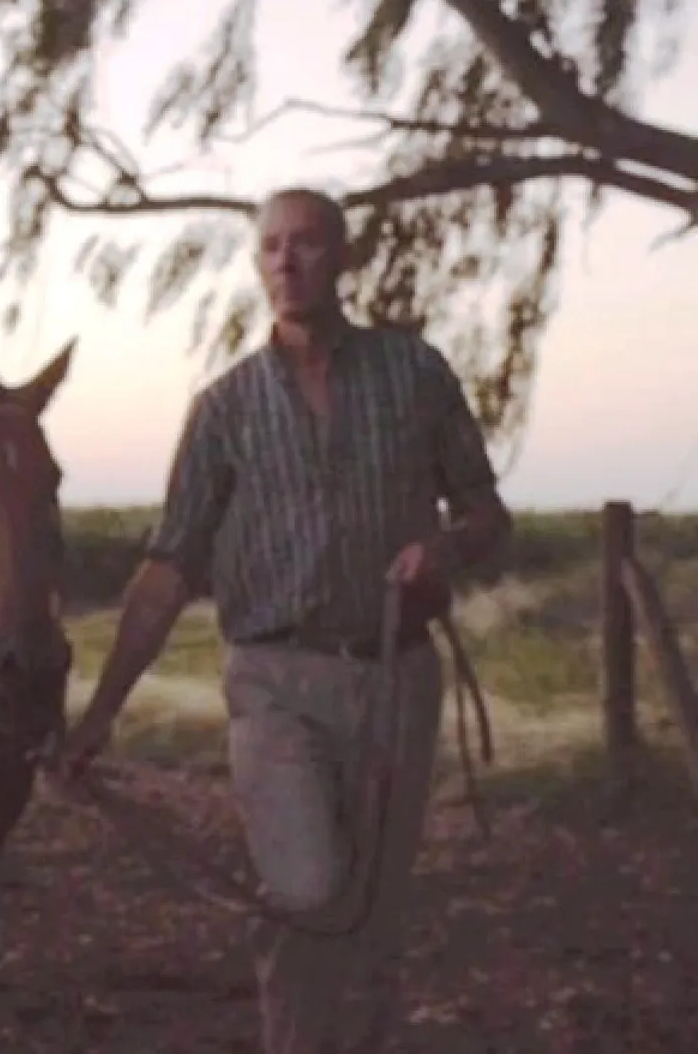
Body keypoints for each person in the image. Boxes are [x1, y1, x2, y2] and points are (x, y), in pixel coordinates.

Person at [53, 187, 512, 1053]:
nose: (287, 261)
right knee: (304, 891)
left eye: (307, 243)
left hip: (396, 675)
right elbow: (170, 566)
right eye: (271, 247)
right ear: (258, 265)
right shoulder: (224, 408)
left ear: (344, 257)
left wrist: (444, 550)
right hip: (273, 683)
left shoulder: (416, 373)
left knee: (371, 915)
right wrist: (101, 715)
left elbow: (488, 515)